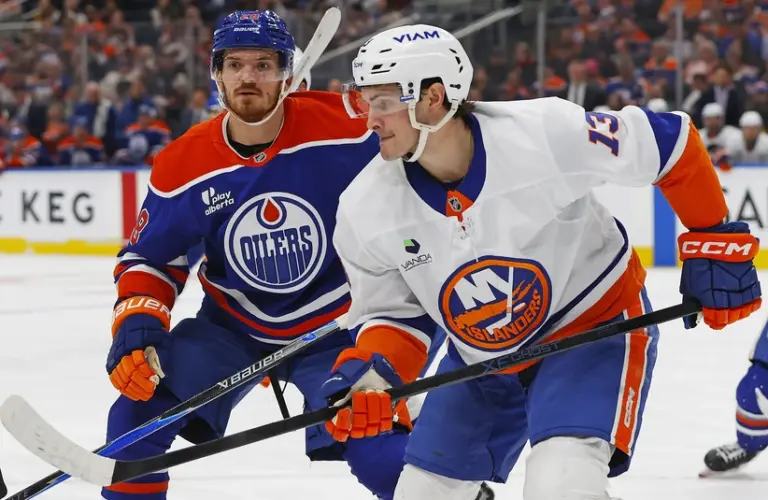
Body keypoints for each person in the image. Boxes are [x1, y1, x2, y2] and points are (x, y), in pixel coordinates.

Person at [320, 24, 762, 499]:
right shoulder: (364, 207)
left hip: (591, 331)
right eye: (365, 101)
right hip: (479, 359)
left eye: (383, 102)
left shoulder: (543, 132)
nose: (370, 119)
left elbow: (669, 143)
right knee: (422, 494)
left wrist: (713, 236)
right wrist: (372, 375)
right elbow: (395, 315)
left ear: (433, 98)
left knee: (561, 482)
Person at [104, 11, 449, 500]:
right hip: (232, 329)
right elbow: (150, 259)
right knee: (133, 424)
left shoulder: (347, 127)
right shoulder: (184, 162)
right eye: (235, 64)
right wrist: (138, 321)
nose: (248, 76)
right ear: (216, 75)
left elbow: (429, 128)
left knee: (376, 445)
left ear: (288, 73)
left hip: (341, 324)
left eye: (264, 65)